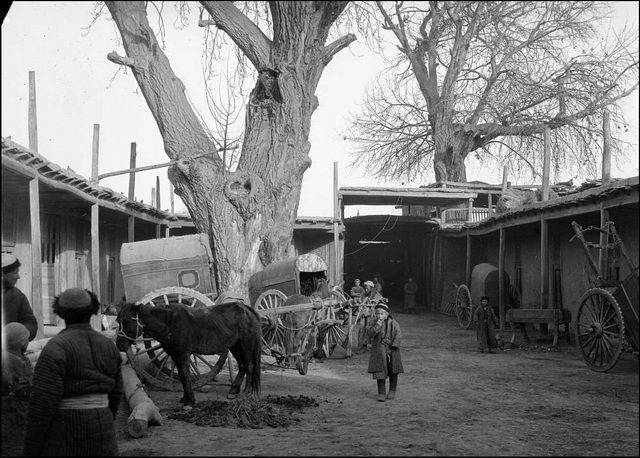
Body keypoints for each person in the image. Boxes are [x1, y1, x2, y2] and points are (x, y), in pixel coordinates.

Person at [23, 288, 123, 456]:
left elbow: (42, 403)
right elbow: (116, 393)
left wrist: (32, 446)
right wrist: (104, 417)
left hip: (65, 432)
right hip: (103, 429)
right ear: (92, 310)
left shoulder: (55, 348)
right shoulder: (108, 346)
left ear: (61, 313)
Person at [2, 322, 34, 457]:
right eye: (26, 338)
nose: (28, 341)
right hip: (14, 423)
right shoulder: (12, 362)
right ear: (20, 342)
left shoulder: (19, 359)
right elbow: (26, 389)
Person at [366, 302, 404, 402]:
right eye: (378, 314)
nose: (379, 316)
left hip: (391, 350)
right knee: (379, 371)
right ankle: (381, 392)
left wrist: (393, 344)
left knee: (393, 370)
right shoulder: (374, 322)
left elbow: (398, 334)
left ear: (386, 314)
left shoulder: (393, 323)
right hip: (379, 350)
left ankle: (392, 390)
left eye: (382, 314)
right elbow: (369, 333)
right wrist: (376, 327)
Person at [2, 254, 38, 341]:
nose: (18, 277)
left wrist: (16, 334)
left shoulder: (18, 295)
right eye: (15, 272)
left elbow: (31, 323)